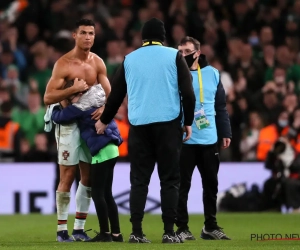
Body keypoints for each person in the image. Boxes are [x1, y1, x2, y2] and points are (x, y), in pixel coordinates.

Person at [95, 18, 196, 243]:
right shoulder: (174, 56)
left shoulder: (129, 59)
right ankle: (169, 231)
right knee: (169, 179)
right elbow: (188, 93)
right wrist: (187, 121)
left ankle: (136, 232)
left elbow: (116, 95)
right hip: (168, 125)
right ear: (163, 36)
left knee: (139, 181)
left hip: (139, 127)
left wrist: (104, 120)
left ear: (143, 37)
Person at [43, 18, 111, 242]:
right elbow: (48, 97)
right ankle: (62, 230)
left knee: (88, 176)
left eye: (91, 33)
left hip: (88, 123)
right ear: (74, 36)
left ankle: (79, 229)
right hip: (68, 123)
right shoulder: (64, 64)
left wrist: (104, 108)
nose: (88, 37)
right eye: (83, 33)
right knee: (68, 174)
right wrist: (73, 89)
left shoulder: (98, 63)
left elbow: (111, 94)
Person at [51, 83, 124, 242]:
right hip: (113, 149)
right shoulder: (98, 100)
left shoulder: (80, 106)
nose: (71, 101)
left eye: (72, 97)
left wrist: (55, 108)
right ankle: (116, 234)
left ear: (79, 93)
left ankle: (105, 234)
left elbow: (59, 118)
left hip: (101, 151)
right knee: (107, 193)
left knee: (98, 193)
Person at [175, 36, 232, 241]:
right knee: (182, 187)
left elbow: (220, 106)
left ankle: (210, 226)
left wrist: (225, 132)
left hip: (209, 138)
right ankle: (181, 228)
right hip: (184, 139)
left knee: (211, 186)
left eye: (187, 52)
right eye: (180, 51)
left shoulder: (213, 74)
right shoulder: (174, 73)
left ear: (197, 53)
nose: (182, 55)